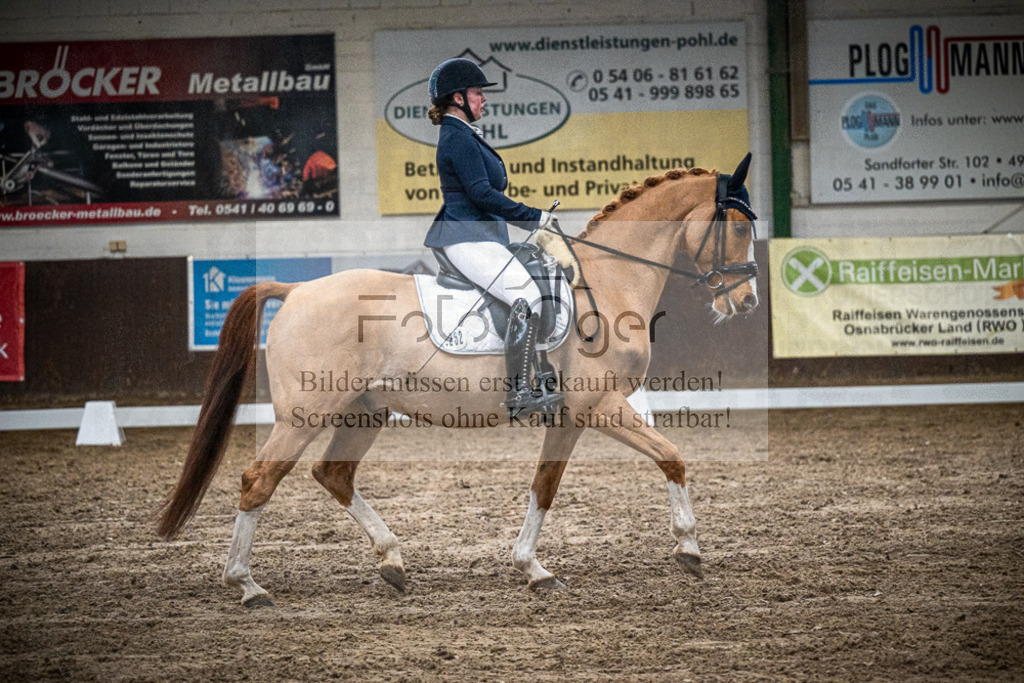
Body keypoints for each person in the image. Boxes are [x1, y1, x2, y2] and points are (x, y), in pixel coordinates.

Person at [423, 57, 562, 418]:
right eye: (477, 93)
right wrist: (534, 216)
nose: (483, 99)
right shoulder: (457, 138)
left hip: (483, 235)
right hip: (466, 236)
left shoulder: (465, 135)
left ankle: (546, 378)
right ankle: (518, 393)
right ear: (457, 98)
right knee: (527, 297)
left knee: (538, 282)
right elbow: (482, 194)